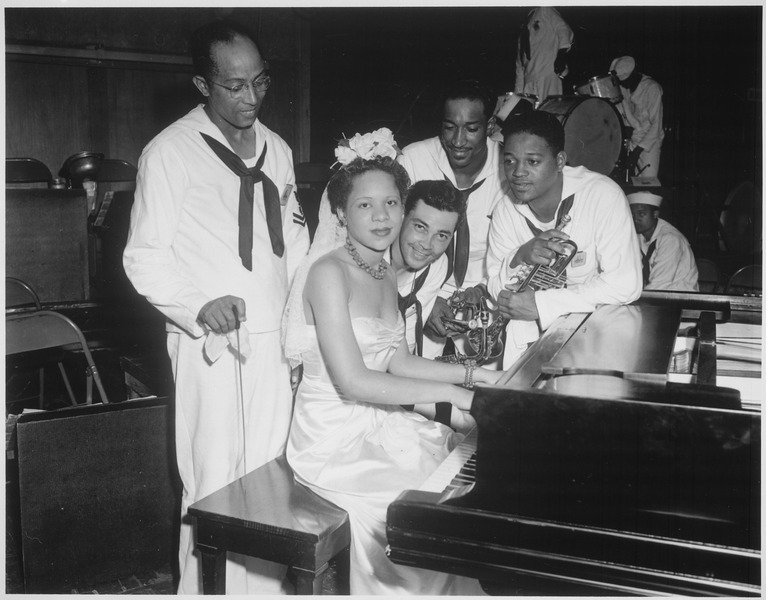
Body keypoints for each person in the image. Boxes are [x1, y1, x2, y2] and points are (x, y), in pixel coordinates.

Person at [123, 21, 309, 594]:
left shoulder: (277, 148)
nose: (251, 98)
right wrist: (198, 305)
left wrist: (302, 323)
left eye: (260, 83)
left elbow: (294, 245)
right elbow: (143, 256)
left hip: (276, 343)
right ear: (203, 84)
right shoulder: (169, 153)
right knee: (213, 481)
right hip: (213, 346)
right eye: (234, 86)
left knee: (274, 476)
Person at [282, 130, 500, 595]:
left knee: (452, 488)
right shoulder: (328, 273)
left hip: (376, 422)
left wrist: (475, 374)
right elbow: (357, 382)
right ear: (340, 211)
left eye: (391, 204)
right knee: (410, 510)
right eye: (365, 205)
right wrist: (456, 393)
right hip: (332, 436)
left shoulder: (382, 270)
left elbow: (397, 360)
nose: (381, 217)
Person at [487, 111, 642, 368]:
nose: (518, 173)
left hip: (596, 339)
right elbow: (497, 291)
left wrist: (541, 305)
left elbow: (626, 284)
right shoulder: (505, 210)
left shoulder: (601, 196)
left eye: (533, 162)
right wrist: (520, 256)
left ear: (559, 161)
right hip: (526, 341)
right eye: (510, 161)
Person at [398, 79, 507, 362]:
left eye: (471, 129)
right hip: (418, 290)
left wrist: (485, 290)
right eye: (449, 127)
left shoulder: (509, 167)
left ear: (490, 125)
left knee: (489, 387)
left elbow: (519, 248)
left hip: (487, 294)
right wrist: (423, 299)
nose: (458, 141)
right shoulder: (413, 159)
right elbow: (390, 243)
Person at [628, 190, 699, 291]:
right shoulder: (637, 237)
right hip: (655, 297)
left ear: (655, 214)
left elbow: (659, 284)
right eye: (633, 214)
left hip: (679, 299)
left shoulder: (671, 239)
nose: (636, 219)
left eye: (641, 214)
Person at [610, 56, 664, 182]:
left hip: (650, 142)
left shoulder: (652, 88)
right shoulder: (623, 86)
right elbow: (624, 112)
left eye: (626, 81)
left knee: (648, 182)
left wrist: (637, 152)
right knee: (631, 180)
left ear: (635, 74)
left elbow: (656, 125)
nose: (624, 85)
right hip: (633, 140)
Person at [514, 7, 574, 105]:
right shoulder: (522, 32)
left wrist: (561, 54)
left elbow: (564, 29)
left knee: (550, 112)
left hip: (548, 73)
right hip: (529, 82)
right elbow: (520, 68)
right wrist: (518, 96)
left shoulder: (544, 10)